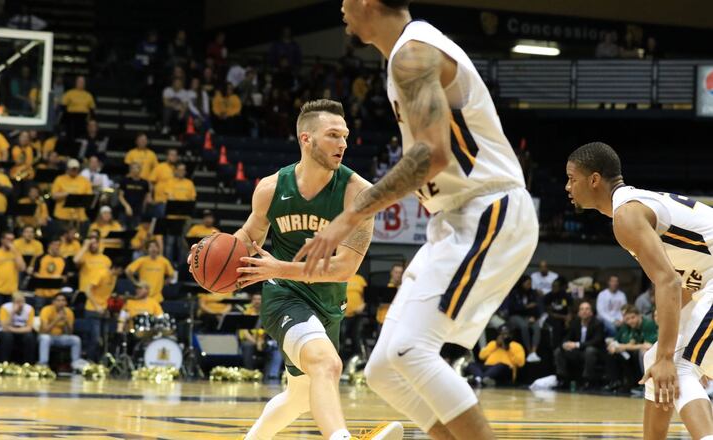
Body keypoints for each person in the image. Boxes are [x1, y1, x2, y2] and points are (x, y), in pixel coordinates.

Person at [296, 3, 539, 438]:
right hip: (456, 216)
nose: (342, 7)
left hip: (489, 207)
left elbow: (432, 155)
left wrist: (348, 216)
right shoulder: (406, 55)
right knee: (383, 367)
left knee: (410, 350)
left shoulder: (413, 55)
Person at [201, 99, 398, 440]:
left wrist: (279, 265)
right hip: (283, 296)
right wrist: (213, 252)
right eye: (334, 135)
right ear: (306, 139)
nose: (344, 144)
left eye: (346, 136)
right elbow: (248, 238)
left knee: (300, 398)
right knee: (328, 364)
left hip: (328, 302)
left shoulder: (359, 194)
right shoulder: (271, 188)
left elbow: (343, 269)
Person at [565, 141, 713, 438]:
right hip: (706, 283)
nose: (567, 187)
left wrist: (667, 357)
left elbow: (668, 281)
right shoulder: (635, 206)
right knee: (656, 359)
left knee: (675, 364)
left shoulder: (626, 216)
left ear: (594, 180)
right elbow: (685, 279)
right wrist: (665, 349)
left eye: (572, 178)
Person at [604, 304, 657, 393]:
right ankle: (618, 383)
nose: (630, 321)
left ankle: (645, 384)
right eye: (627, 319)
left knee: (642, 353)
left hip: (655, 350)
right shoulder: (632, 327)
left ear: (639, 315)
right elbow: (631, 343)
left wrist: (623, 347)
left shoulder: (648, 324)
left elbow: (647, 345)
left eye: (633, 317)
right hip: (639, 352)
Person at [553, 301, 605, 390]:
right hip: (577, 352)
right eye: (582, 309)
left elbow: (596, 341)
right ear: (579, 313)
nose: (584, 311)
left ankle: (587, 380)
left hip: (594, 351)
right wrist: (565, 344)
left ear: (591, 312)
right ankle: (562, 379)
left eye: (587, 309)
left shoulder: (598, 324)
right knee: (559, 351)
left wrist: (577, 345)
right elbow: (567, 337)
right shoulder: (575, 323)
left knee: (590, 351)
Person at [239, 292, 283, 382]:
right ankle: (249, 373)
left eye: (259, 299)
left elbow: (270, 330)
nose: (257, 301)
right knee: (248, 346)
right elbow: (244, 331)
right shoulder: (246, 312)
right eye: (255, 299)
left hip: (264, 340)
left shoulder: (267, 312)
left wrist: (261, 341)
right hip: (250, 340)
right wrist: (255, 342)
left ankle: (272, 375)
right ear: (252, 301)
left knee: (276, 347)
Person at [38, 293, 87, 370]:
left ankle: (76, 363)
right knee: (45, 338)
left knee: (76, 339)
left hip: (60, 337)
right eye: (58, 300)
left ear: (66, 303)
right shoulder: (46, 310)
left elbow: (69, 333)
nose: (61, 302)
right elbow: (45, 330)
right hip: (47, 336)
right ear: (53, 302)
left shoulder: (69, 312)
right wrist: (56, 320)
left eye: (63, 300)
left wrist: (66, 322)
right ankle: (43, 364)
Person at [505, 275, 542, 363]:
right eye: (527, 283)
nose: (529, 285)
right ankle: (528, 350)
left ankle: (534, 351)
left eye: (530, 283)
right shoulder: (514, 292)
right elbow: (513, 308)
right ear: (522, 283)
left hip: (528, 316)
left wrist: (534, 317)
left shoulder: (533, 293)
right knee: (524, 326)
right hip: (515, 316)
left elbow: (537, 307)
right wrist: (526, 307)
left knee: (536, 326)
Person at [51, 158, 93, 232]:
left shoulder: (84, 180)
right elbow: (54, 195)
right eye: (72, 169)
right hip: (62, 215)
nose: (74, 171)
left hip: (79, 216)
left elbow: (89, 197)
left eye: (76, 169)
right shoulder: (60, 179)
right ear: (68, 169)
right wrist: (66, 194)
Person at [0, 232, 25, 309]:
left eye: (12, 240)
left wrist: (15, 252)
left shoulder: (16, 253)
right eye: (8, 239)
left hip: (12, 292)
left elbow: (22, 268)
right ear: (2, 240)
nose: (10, 241)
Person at [0, 291, 36, 365]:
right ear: (13, 302)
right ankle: (4, 363)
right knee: (7, 336)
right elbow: (4, 326)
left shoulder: (29, 308)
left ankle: (27, 364)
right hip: (3, 332)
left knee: (29, 336)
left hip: (18, 330)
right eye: (18, 302)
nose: (20, 304)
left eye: (22, 301)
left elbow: (29, 328)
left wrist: (12, 329)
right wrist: (12, 312)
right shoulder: (5, 307)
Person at [30, 239, 66, 310]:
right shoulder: (40, 258)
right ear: (49, 245)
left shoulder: (63, 260)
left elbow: (65, 277)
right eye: (55, 244)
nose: (57, 247)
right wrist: (45, 278)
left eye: (59, 245)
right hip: (40, 294)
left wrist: (59, 278)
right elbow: (34, 273)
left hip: (55, 295)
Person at [542, 278, 574, 350]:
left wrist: (568, 319)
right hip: (553, 317)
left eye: (556, 286)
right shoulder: (548, 297)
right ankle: (556, 348)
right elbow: (550, 313)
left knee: (573, 325)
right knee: (557, 326)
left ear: (559, 287)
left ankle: (569, 346)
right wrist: (564, 318)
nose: (554, 288)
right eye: (553, 286)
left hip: (565, 317)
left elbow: (570, 308)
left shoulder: (565, 295)